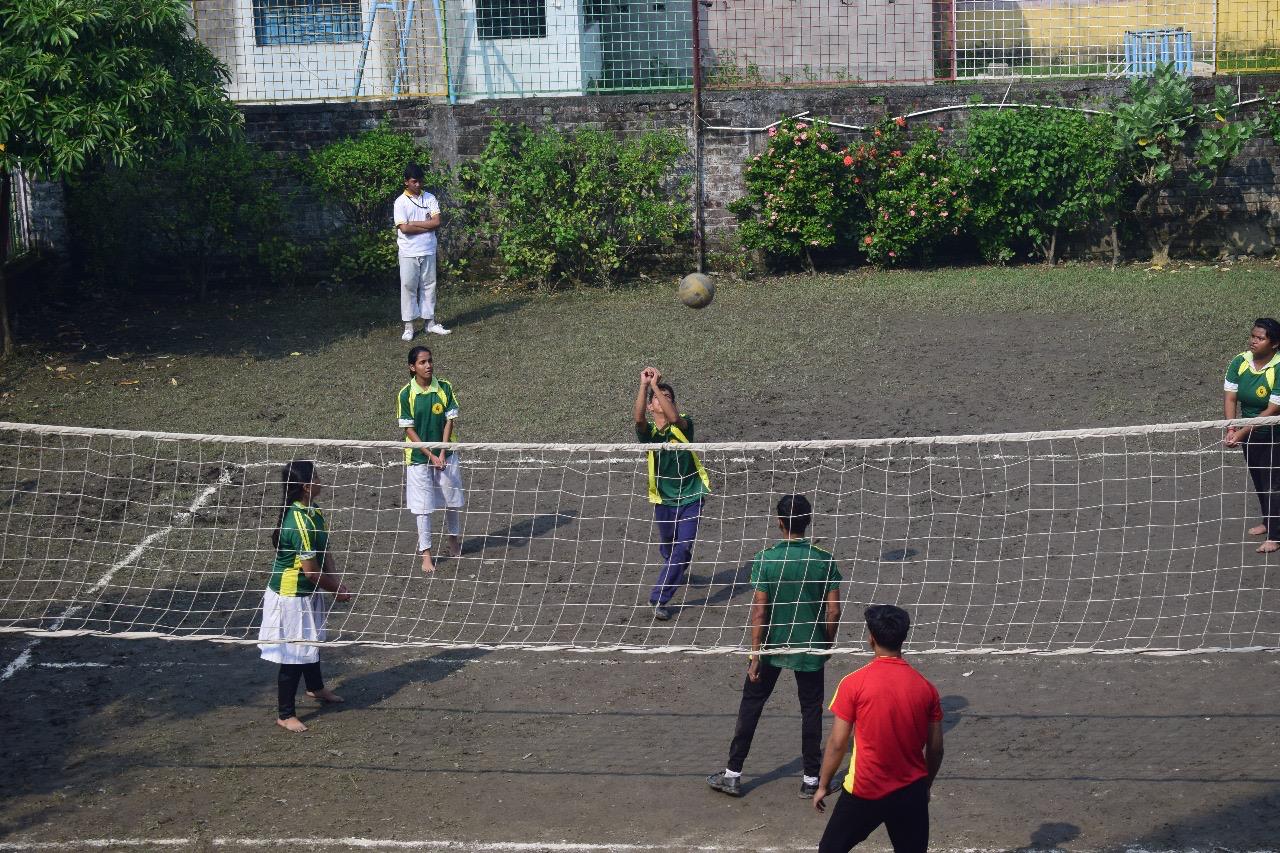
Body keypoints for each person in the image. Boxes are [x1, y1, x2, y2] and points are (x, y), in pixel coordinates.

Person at [707, 494, 842, 798]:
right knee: (811, 710)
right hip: (810, 646)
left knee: (752, 704)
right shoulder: (824, 559)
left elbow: (759, 611)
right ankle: (810, 780)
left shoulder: (766, 559)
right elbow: (833, 610)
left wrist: (755, 654)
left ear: (779, 523)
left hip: (770, 646)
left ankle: (732, 774)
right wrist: (827, 642)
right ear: (808, 522)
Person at [813, 604, 944, 853]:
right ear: (903, 638)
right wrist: (924, 787)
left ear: (871, 638)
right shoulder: (926, 688)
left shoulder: (853, 684)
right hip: (910, 792)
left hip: (864, 790)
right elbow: (936, 749)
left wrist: (823, 785)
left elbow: (838, 743)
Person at [258, 460, 352, 734]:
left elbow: (326, 551)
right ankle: (285, 714)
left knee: (311, 640)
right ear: (307, 485)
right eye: (318, 476)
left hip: (308, 592)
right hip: (292, 596)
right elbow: (310, 572)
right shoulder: (298, 522)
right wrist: (335, 589)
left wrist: (336, 582)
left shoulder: (314, 511)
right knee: (293, 653)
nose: (322, 480)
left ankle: (315, 688)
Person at [633, 366, 711, 620]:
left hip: (691, 496)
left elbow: (675, 418)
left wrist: (657, 386)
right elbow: (638, 420)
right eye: (658, 399)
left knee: (683, 547)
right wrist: (644, 386)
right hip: (664, 500)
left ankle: (659, 598)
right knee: (670, 550)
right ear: (650, 406)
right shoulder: (650, 436)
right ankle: (674, 566)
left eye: (668, 398)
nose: (662, 399)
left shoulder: (683, 426)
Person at [399, 345, 464, 573]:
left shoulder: (444, 387)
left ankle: (453, 539)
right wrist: (430, 454)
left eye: (430, 361)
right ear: (412, 367)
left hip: (446, 453)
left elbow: (449, 420)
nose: (428, 366)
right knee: (422, 507)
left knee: (452, 499)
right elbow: (409, 429)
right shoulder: (406, 394)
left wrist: (443, 452)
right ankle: (426, 553)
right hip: (418, 457)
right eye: (422, 362)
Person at [1224, 317, 1280, 553]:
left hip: (1274, 434)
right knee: (1258, 479)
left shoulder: (1278, 367)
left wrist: (1241, 431)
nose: (1253, 341)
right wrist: (1231, 428)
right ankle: (1269, 522)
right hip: (1249, 434)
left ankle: (1276, 537)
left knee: (1273, 484)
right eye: (1253, 336)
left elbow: (1272, 410)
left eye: (1260, 338)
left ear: (1274, 344)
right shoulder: (1240, 361)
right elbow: (1230, 397)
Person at [394, 162, 449, 341]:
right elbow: (404, 229)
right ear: (406, 182)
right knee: (409, 286)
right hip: (409, 251)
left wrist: (415, 224)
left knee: (428, 285)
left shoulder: (430, 198)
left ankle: (430, 323)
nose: (417, 185)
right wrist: (427, 226)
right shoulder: (400, 202)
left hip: (428, 249)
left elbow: (436, 222)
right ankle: (409, 326)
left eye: (420, 181)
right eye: (414, 182)